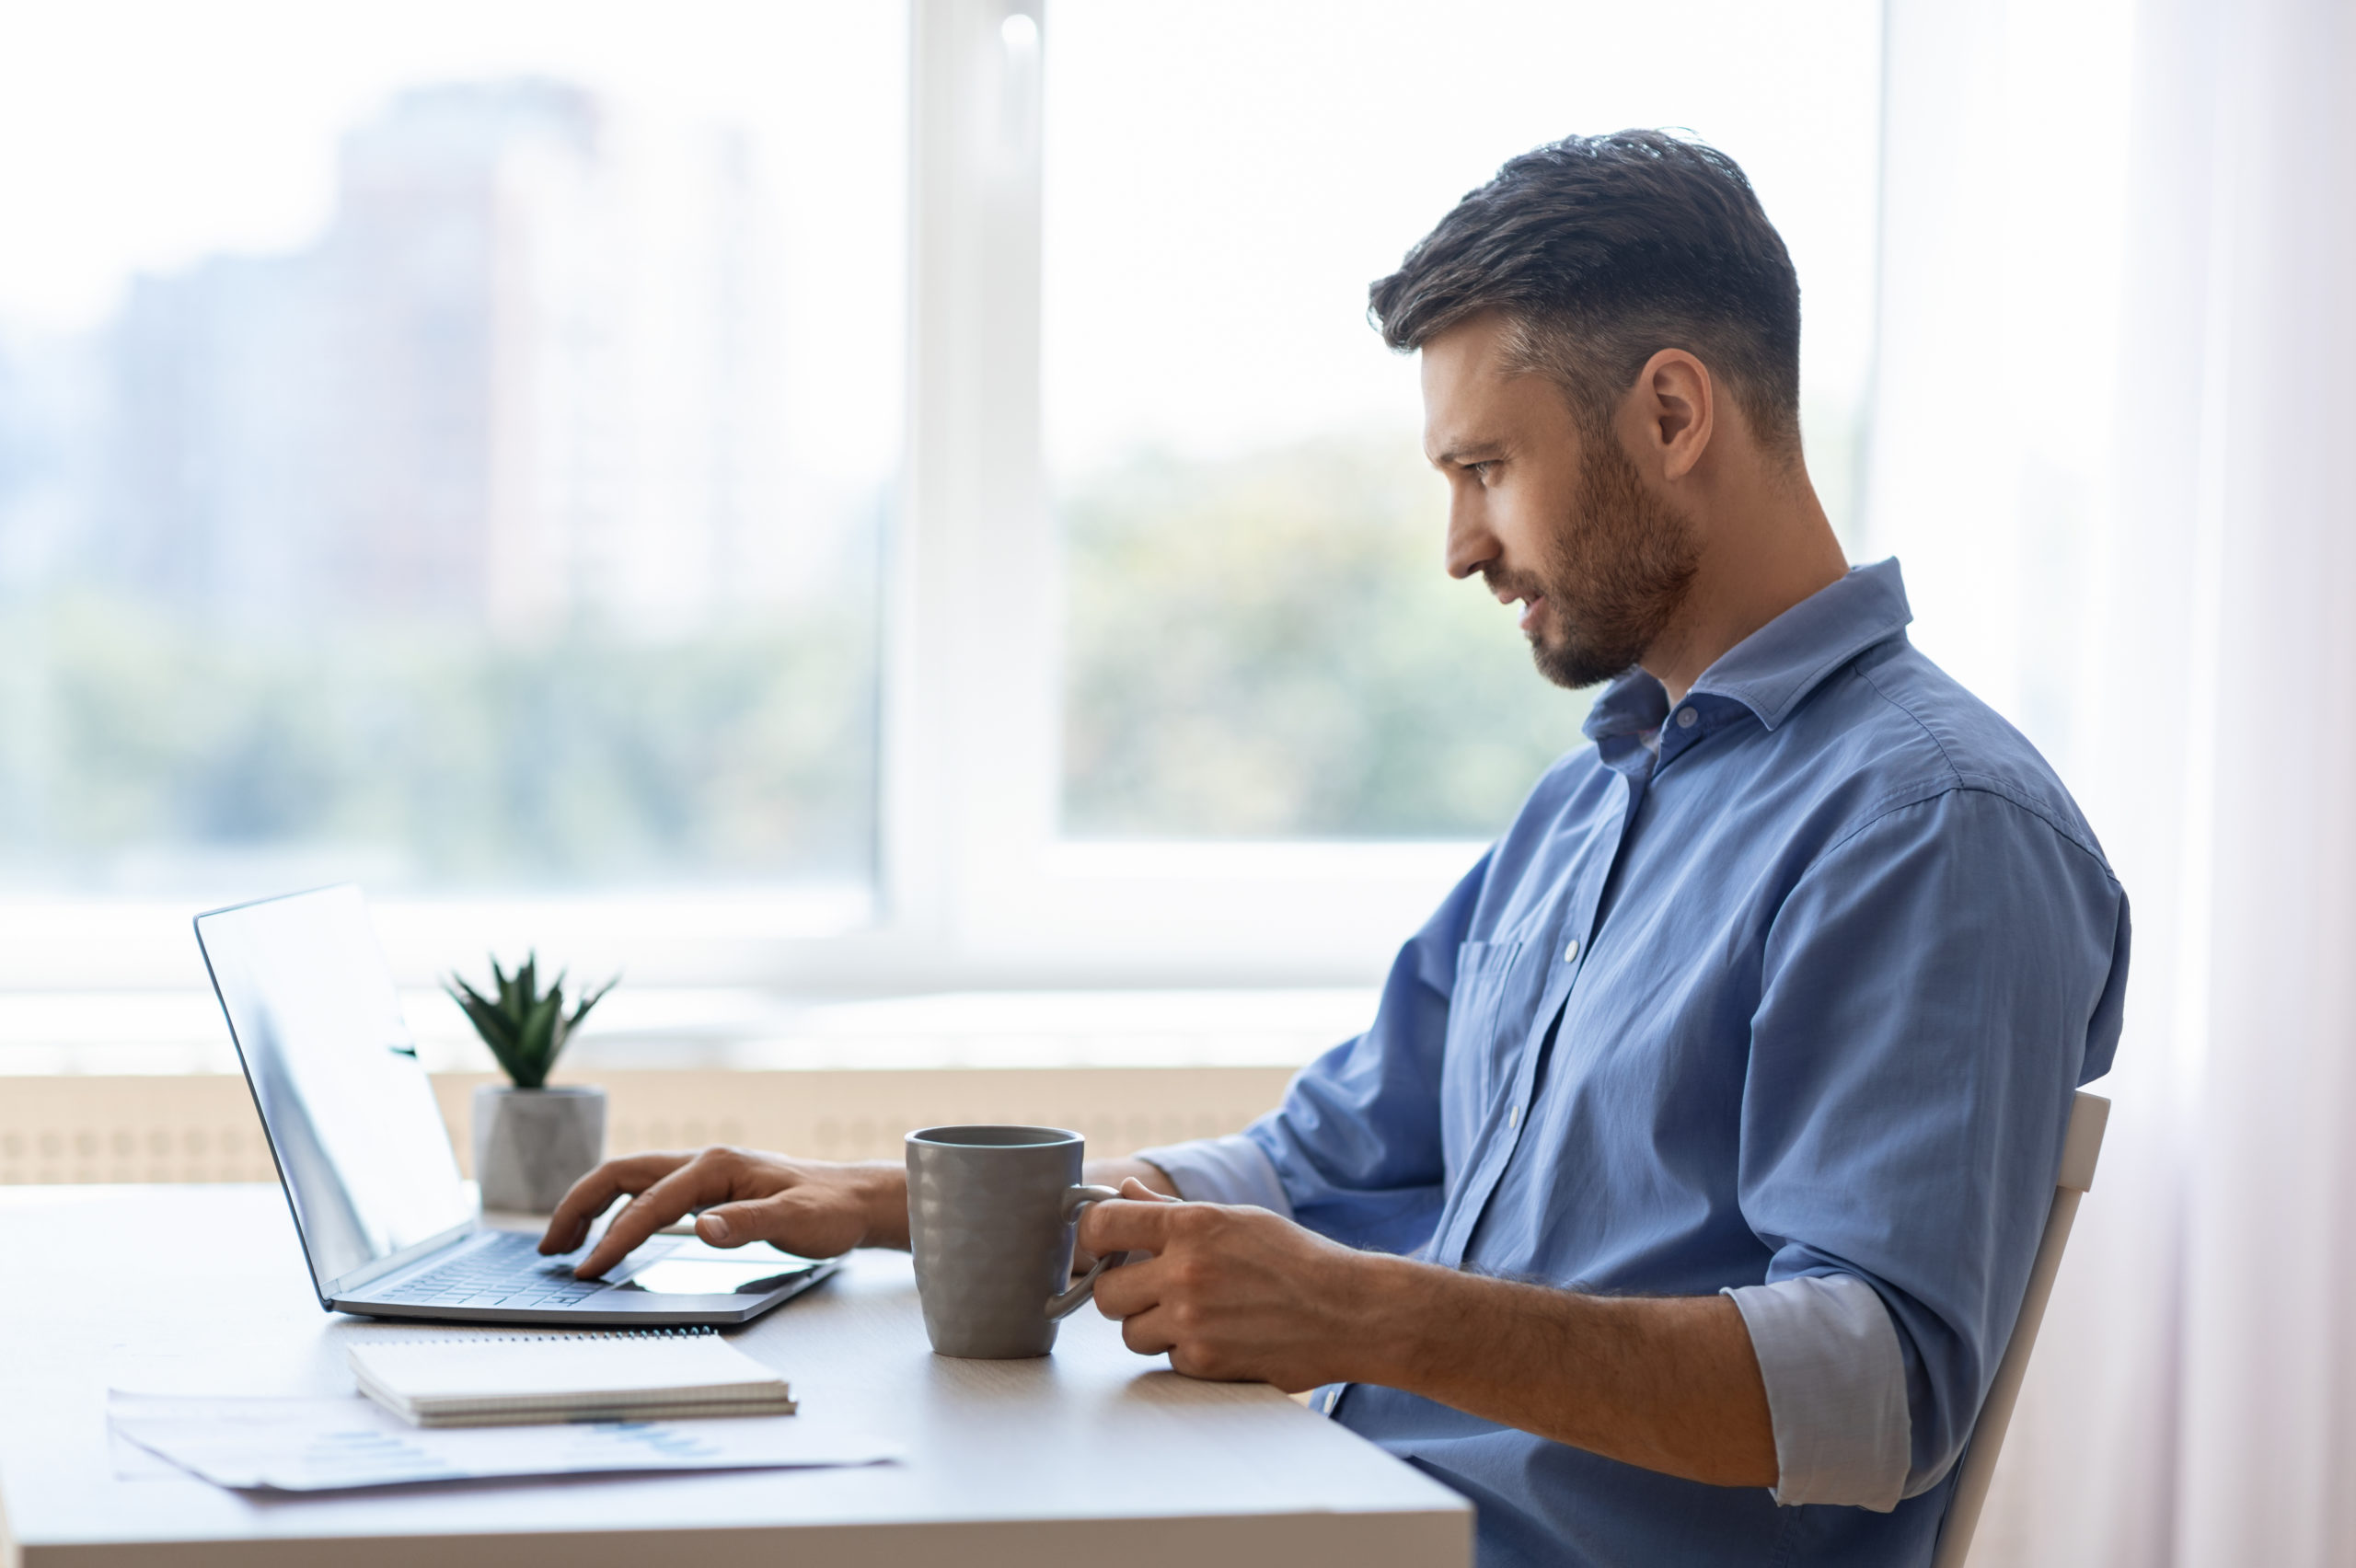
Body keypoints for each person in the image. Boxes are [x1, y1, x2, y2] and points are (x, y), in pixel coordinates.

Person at [541, 131, 2129, 1568]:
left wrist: (1364, 1309)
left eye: (1485, 469)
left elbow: (1874, 1398)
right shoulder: (1598, 799)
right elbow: (1313, 1166)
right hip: (1353, 1519)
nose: (1459, 548)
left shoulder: (1933, 828)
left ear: (1668, 412)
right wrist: (911, 1204)